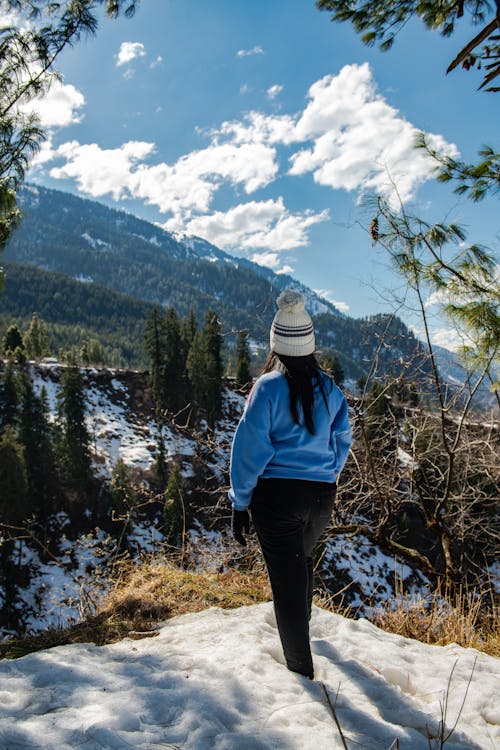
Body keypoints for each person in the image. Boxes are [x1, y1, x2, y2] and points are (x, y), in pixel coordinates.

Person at [228, 288, 352, 680]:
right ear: (310, 346)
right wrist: (327, 474)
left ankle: (301, 675)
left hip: (277, 497)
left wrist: (239, 501)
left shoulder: (267, 387)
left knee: (286, 583)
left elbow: (249, 448)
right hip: (321, 496)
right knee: (301, 564)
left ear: (276, 344)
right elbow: (342, 440)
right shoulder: (330, 389)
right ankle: (303, 647)